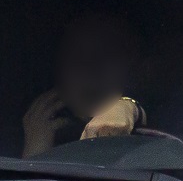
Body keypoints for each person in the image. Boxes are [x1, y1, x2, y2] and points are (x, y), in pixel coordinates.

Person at [22, 13, 147, 157]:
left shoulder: (170, 127)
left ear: (140, 69)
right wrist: (35, 153)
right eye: (74, 54)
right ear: (56, 71)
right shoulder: (26, 131)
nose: (89, 69)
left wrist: (131, 110)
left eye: (109, 53)